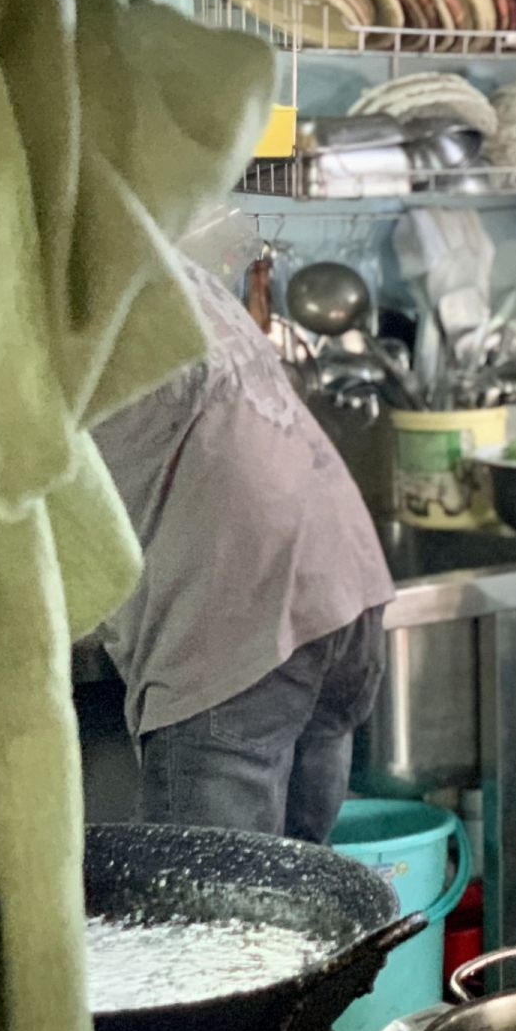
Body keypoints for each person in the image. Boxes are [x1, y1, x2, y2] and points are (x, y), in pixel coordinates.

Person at [92, 258, 394, 842]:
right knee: (297, 912)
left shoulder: (24, 282)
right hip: (337, 584)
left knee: (213, 922)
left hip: (240, 618)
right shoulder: (155, 256)